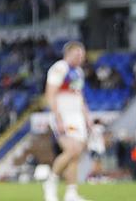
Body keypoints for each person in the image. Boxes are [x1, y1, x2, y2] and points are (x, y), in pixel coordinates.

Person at [44, 41, 93, 201]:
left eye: (82, 55)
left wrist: (87, 116)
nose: (81, 57)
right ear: (69, 53)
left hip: (77, 116)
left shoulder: (79, 72)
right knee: (71, 150)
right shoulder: (60, 68)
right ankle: (50, 182)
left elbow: (79, 96)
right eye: (78, 54)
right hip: (63, 115)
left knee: (76, 155)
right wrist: (57, 117)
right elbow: (50, 94)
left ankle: (71, 193)